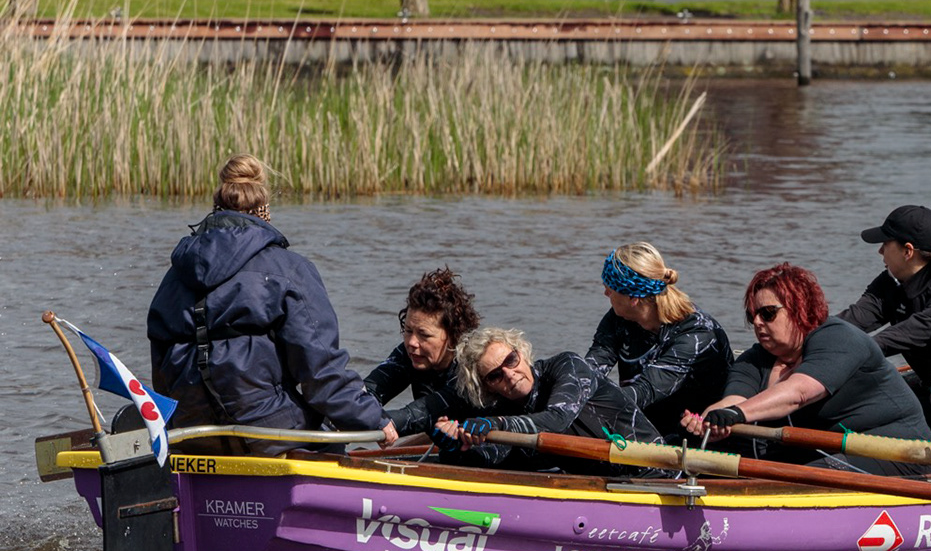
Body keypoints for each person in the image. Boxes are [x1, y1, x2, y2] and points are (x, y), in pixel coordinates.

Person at [148, 154, 396, 449]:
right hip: (266, 432)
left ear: (216, 208)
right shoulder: (289, 270)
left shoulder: (174, 276)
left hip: (192, 433)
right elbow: (321, 376)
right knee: (330, 441)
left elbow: (161, 377)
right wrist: (374, 420)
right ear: (264, 210)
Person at [681, 263, 931, 476]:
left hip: (901, 452)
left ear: (799, 308)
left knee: (799, 476)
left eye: (767, 313)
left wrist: (737, 414)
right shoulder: (754, 359)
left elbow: (798, 393)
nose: (757, 322)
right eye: (752, 315)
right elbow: (734, 401)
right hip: (828, 452)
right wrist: (710, 420)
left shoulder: (839, 338)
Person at [432, 327, 658, 473]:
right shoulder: (506, 411)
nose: (510, 374)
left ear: (522, 353)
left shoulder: (568, 366)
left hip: (656, 473)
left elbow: (557, 420)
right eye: (495, 375)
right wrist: (455, 448)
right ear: (487, 387)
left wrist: (498, 424)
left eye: (511, 360)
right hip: (605, 486)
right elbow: (494, 459)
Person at [584, 243, 732, 441]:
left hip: (695, 437)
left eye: (609, 289)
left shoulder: (696, 333)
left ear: (633, 298)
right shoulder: (619, 319)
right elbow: (590, 370)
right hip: (642, 426)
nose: (606, 294)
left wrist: (580, 402)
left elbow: (644, 392)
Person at [838, 204, 931, 390]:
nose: (880, 251)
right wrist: (806, 333)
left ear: (907, 251)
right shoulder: (890, 282)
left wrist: (834, 356)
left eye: (885, 244)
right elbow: (849, 321)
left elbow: (886, 341)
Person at [361, 266, 481, 437]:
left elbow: (419, 414)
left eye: (424, 335)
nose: (412, 342)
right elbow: (368, 391)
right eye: (408, 330)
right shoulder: (410, 353)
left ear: (453, 336)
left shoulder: (470, 368)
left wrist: (379, 422)